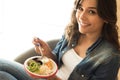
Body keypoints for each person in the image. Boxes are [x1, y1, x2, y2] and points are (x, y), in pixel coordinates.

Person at [0, 0, 120, 80]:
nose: (81, 16)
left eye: (91, 12)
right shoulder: (73, 31)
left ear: (106, 17)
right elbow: (55, 63)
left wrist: (55, 79)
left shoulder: (110, 56)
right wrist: (47, 52)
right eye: (80, 8)